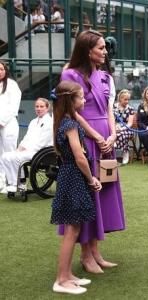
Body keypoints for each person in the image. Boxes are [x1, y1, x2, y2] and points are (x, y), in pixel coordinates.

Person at [60, 29, 125, 274]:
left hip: (105, 141)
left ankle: (96, 252)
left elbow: (109, 109)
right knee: (87, 195)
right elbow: (72, 111)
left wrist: (112, 134)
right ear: (88, 50)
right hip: (85, 139)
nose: (105, 51)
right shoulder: (70, 73)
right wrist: (96, 136)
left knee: (102, 195)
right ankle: (86, 256)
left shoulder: (105, 76)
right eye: (101, 48)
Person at [50, 80, 101, 295]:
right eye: (80, 97)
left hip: (71, 177)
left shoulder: (66, 121)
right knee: (71, 231)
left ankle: (68, 274)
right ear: (71, 100)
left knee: (75, 228)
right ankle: (61, 280)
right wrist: (91, 179)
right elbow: (80, 157)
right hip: (73, 177)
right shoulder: (70, 124)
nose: (84, 100)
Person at [0, 98, 53, 194]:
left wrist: (25, 150)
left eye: (41, 106)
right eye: (37, 106)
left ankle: (20, 182)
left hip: (41, 152)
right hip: (30, 151)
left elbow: (42, 142)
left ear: (47, 108)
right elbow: (26, 138)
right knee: (5, 156)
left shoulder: (50, 122)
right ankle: (13, 183)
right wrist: (19, 149)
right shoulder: (33, 121)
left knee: (17, 157)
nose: (39, 109)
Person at [0, 60, 21, 161]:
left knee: (9, 152)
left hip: (8, 123)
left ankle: (12, 176)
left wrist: (2, 121)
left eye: (1, 69)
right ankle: (1, 176)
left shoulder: (11, 84)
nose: (0, 72)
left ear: (5, 70)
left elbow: (13, 106)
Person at [113, 89, 135, 165]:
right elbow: (111, 120)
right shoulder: (113, 107)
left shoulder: (130, 109)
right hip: (114, 127)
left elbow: (130, 124)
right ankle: (122, 151)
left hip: (127, 129)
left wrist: (122, 129)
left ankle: (124, 151)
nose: (127, 101)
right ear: (120, 98)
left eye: (128, 100)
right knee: (114, 134)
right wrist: (115, 126)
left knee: (120, 135)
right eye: (125, 99)